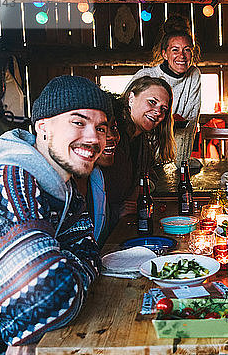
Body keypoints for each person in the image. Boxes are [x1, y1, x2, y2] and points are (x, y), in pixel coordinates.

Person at [0, 75, 112, 354]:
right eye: (78, 122)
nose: (94, 137)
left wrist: (62, 270)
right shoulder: (1, 181)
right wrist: (59, 273)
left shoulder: (65, 190)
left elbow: (89, 249)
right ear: (42, 127)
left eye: (101, 128)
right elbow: (51, 298)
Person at [127, 15, 200, 165]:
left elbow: (190, 122)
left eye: (187, 50)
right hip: (139, 158)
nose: (182, 56)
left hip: (171, 158)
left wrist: (182, 164)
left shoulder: (194, 75)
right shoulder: (146, 76)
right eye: (175, 50)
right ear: (164, 54)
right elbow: (128, 118)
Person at [104, 76, 175, 221]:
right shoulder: (110, 137)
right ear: (131, 98)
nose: (158, 112)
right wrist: (114, 211)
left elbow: (143, 178)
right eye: (152, 102)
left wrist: (131, 202)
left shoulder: (142, 143)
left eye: (163, 109)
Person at [75, 92, 122, 247]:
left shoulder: (96, 176)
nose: (110, 136)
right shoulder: (29, 186)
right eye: (80, 124)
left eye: (112, 127)